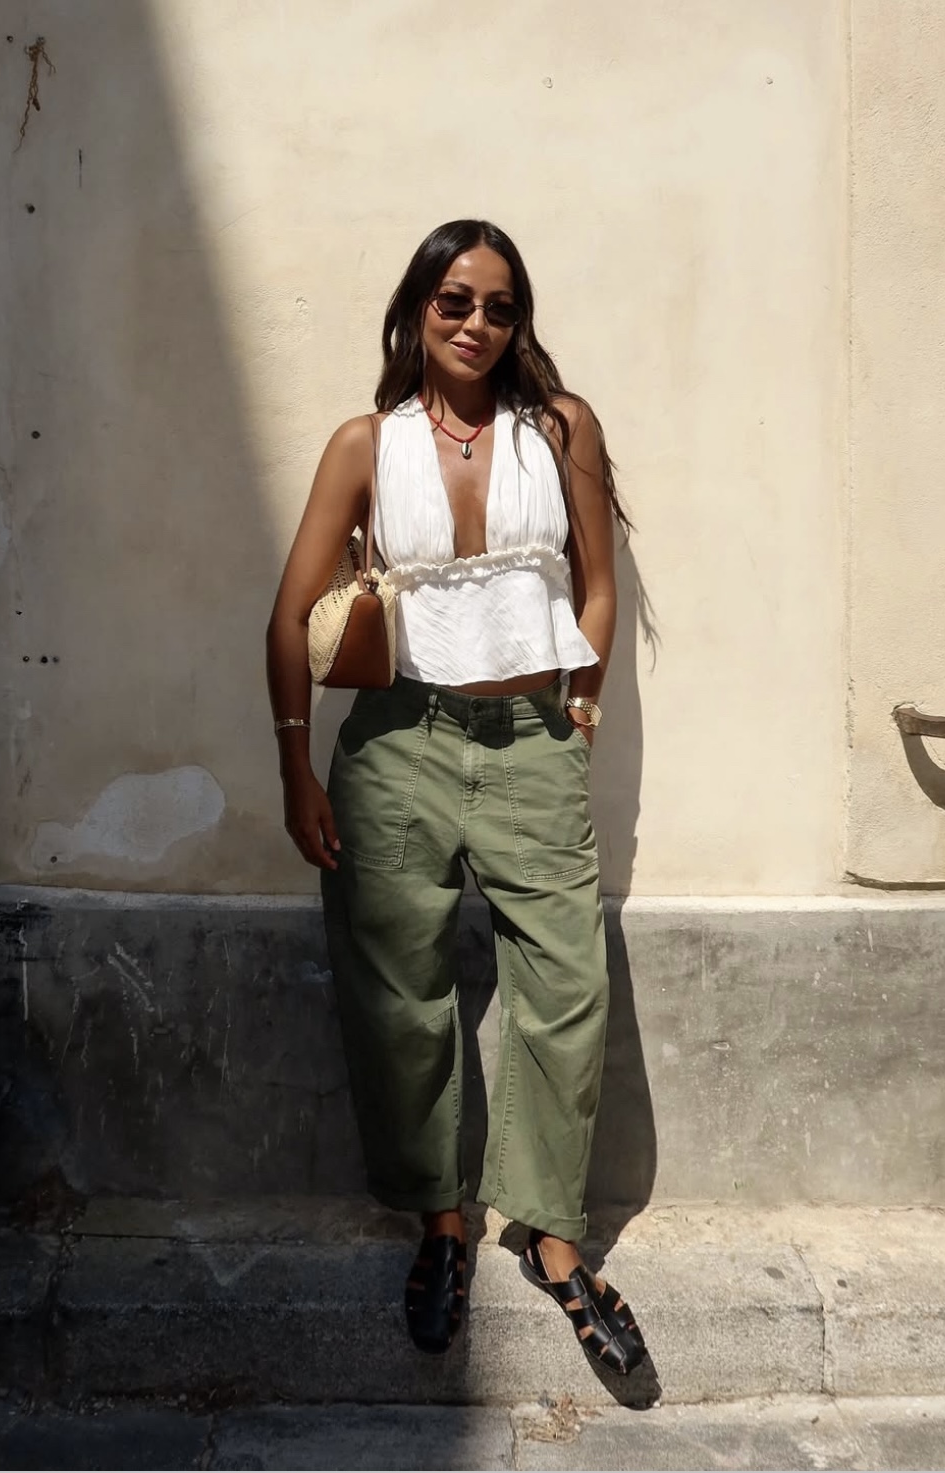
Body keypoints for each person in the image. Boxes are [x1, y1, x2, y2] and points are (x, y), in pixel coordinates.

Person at [266, 219, 644, 1375]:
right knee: (398, 992)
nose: (476, 322)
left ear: (517, 322)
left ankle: (552, 1235)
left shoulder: (559, 427)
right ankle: (439, 1222)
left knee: (566, 985)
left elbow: (595, 583)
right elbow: (289, 617)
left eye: (498, 305)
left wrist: (579, 705)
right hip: (397, 743)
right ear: (416, 309)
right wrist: (293, 765)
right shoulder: (363, 444)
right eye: (454, 300)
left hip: (530, 739)